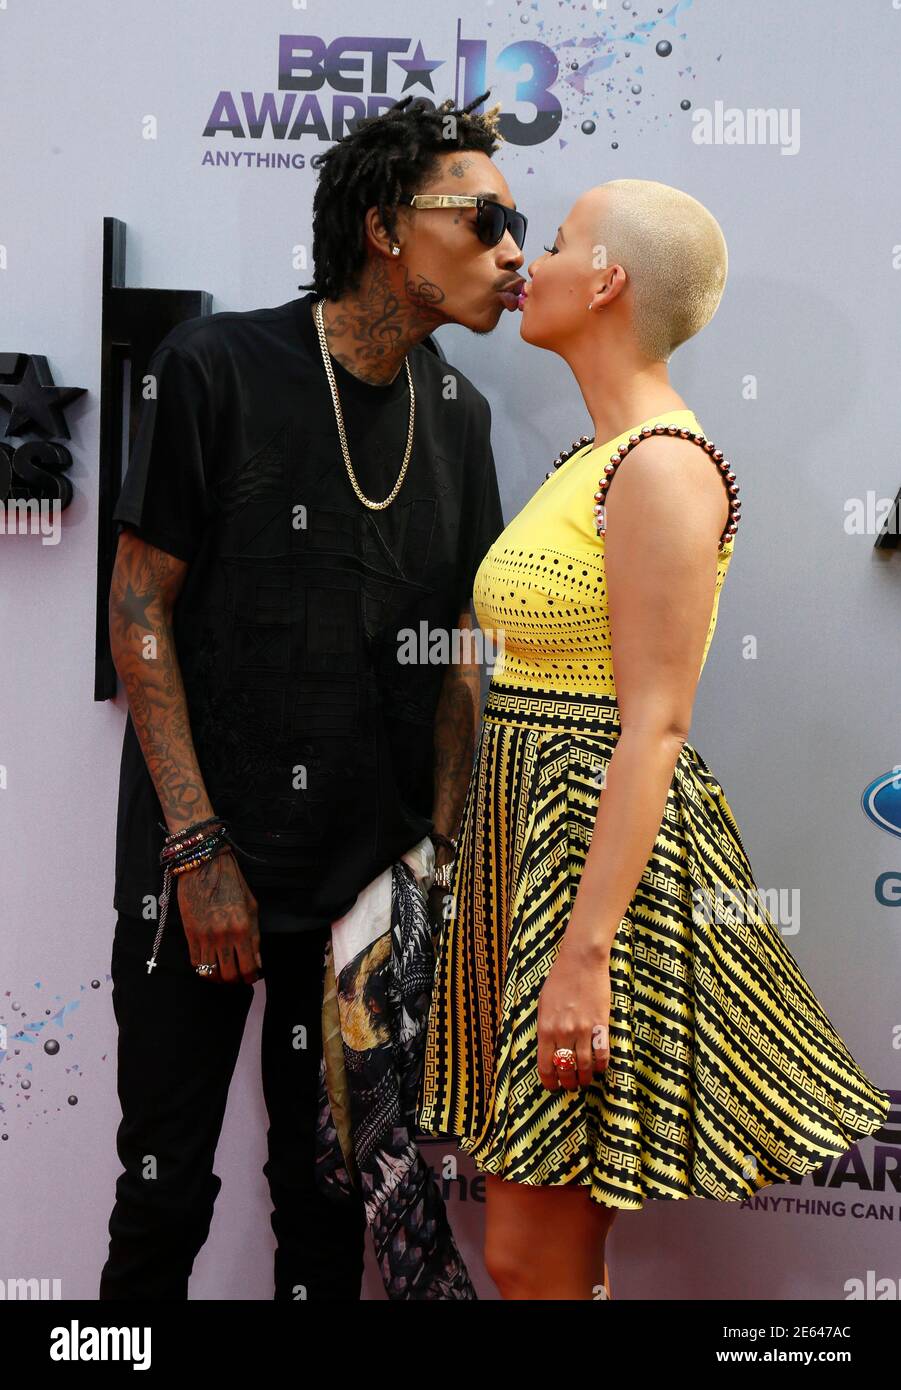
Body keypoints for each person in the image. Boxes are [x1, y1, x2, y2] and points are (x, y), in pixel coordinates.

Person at [418, 178, 891, 1301]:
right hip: (532, 845)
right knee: (544, 1255)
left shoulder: (663, 465)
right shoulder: (596, 457)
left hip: (590, 869)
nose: (527, 259)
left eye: (557, 242)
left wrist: (583, 956)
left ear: (608, 281)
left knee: (530, 1255)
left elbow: (656, 724)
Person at [99, 91, 527, 1300]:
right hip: (203, 867)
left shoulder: (460, 413)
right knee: (161, 1193)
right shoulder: (217, 367)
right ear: (386, 227)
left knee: (328, 1197)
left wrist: (433, 869)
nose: (514, 251)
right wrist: (196, 848)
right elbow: (138, 607)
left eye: (519, 223)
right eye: (485, 218)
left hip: (361, 894)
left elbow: (457, 649)